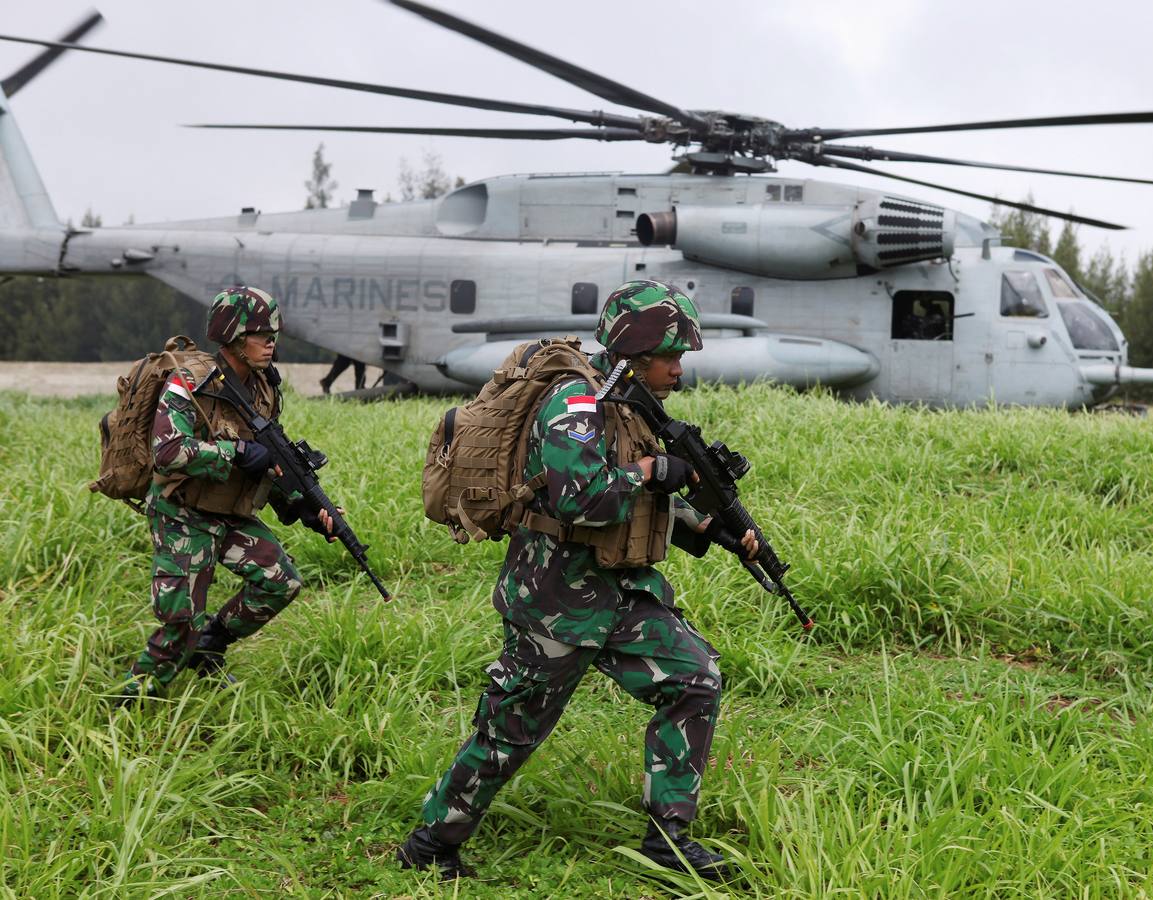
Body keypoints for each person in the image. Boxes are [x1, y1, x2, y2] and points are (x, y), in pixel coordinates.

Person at [398, 280, 757, 882]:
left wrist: (711, 527)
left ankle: (667, 843)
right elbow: (581, 500)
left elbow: (648, 501)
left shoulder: (629, 401)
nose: (679, 369)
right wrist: (650, 471)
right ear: (637, 352)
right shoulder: (574, 402)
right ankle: (432, 842)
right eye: (671, 356)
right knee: (511, 729)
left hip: (621, 594)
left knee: (694, 679)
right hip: (555, 600)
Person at [116, 286, 337, 703]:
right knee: (182, 619)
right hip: (182, 512)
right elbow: (167, 452)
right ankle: (132, 700)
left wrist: (307, 509)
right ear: (235, 336)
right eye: (260, 334)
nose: (270, 342)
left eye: (273, 334)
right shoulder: (190, 382)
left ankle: (210, 646)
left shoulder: (264, 387)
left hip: (229, 511)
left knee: (279, 583)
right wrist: (234, 452)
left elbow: (268, 461)